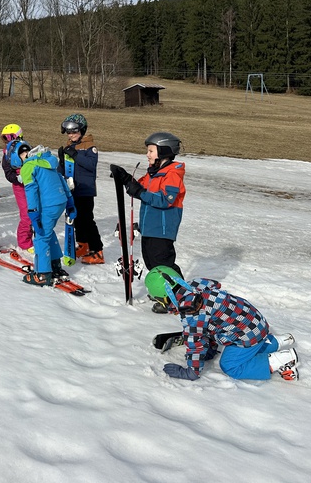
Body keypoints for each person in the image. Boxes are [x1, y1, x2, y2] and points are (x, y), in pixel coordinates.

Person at [144, 266, 299, 382]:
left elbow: (196, 344)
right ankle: (277, 341)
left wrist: (190, 372)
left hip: (247, 335)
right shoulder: (195, 284)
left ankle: (279, 360)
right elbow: (215, 288)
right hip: (255, 320)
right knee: (218, 325)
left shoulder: (192, 314)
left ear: (164, 299)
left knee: (230, 366)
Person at [111, 132, 186, 313]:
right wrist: (126, 179)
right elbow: (140, 187)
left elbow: (164, 200)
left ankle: (179, 296)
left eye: (151, 151)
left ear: (164, 151)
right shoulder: (154, 173)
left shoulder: (172, 174)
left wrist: (139, 192)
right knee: (152, 263)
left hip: (162, 228)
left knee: (163, 263)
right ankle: (163, 292)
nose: (147, 155)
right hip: (150, 227)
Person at [11, 142, 76, 285]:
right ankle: (55, 265)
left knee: (41, 237)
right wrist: (70, 202)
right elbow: (61, 180)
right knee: (48, 231)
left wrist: (33, 212)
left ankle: (43, 274)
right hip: (60, 201)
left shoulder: (28, 166)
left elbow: (31, 191)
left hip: (49, 205)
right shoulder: (46, 161)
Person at [58, 114, 104, 265]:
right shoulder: (69, 146)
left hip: (85, 190)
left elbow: (91, 165)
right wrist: (61, 162)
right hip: (72, 190)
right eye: (68, 132)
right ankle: (83, 245)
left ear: (82, 130)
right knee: (77, 219)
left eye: (74, 132)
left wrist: (76, 155)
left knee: (87, 220)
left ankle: (97, 250)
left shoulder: (90, 147)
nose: (71, 135)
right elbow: (63, 169)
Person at [1, 124, 32, 255]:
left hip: (32, 184)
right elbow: (8, 173)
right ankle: (24, 242)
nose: (7, 141)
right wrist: (17, 178)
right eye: (5, 138)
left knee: (37, 212)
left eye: (9, 137)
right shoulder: (7, 154)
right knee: (26, 215)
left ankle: (37, 238)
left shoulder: (26, 148)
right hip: (20, 187)